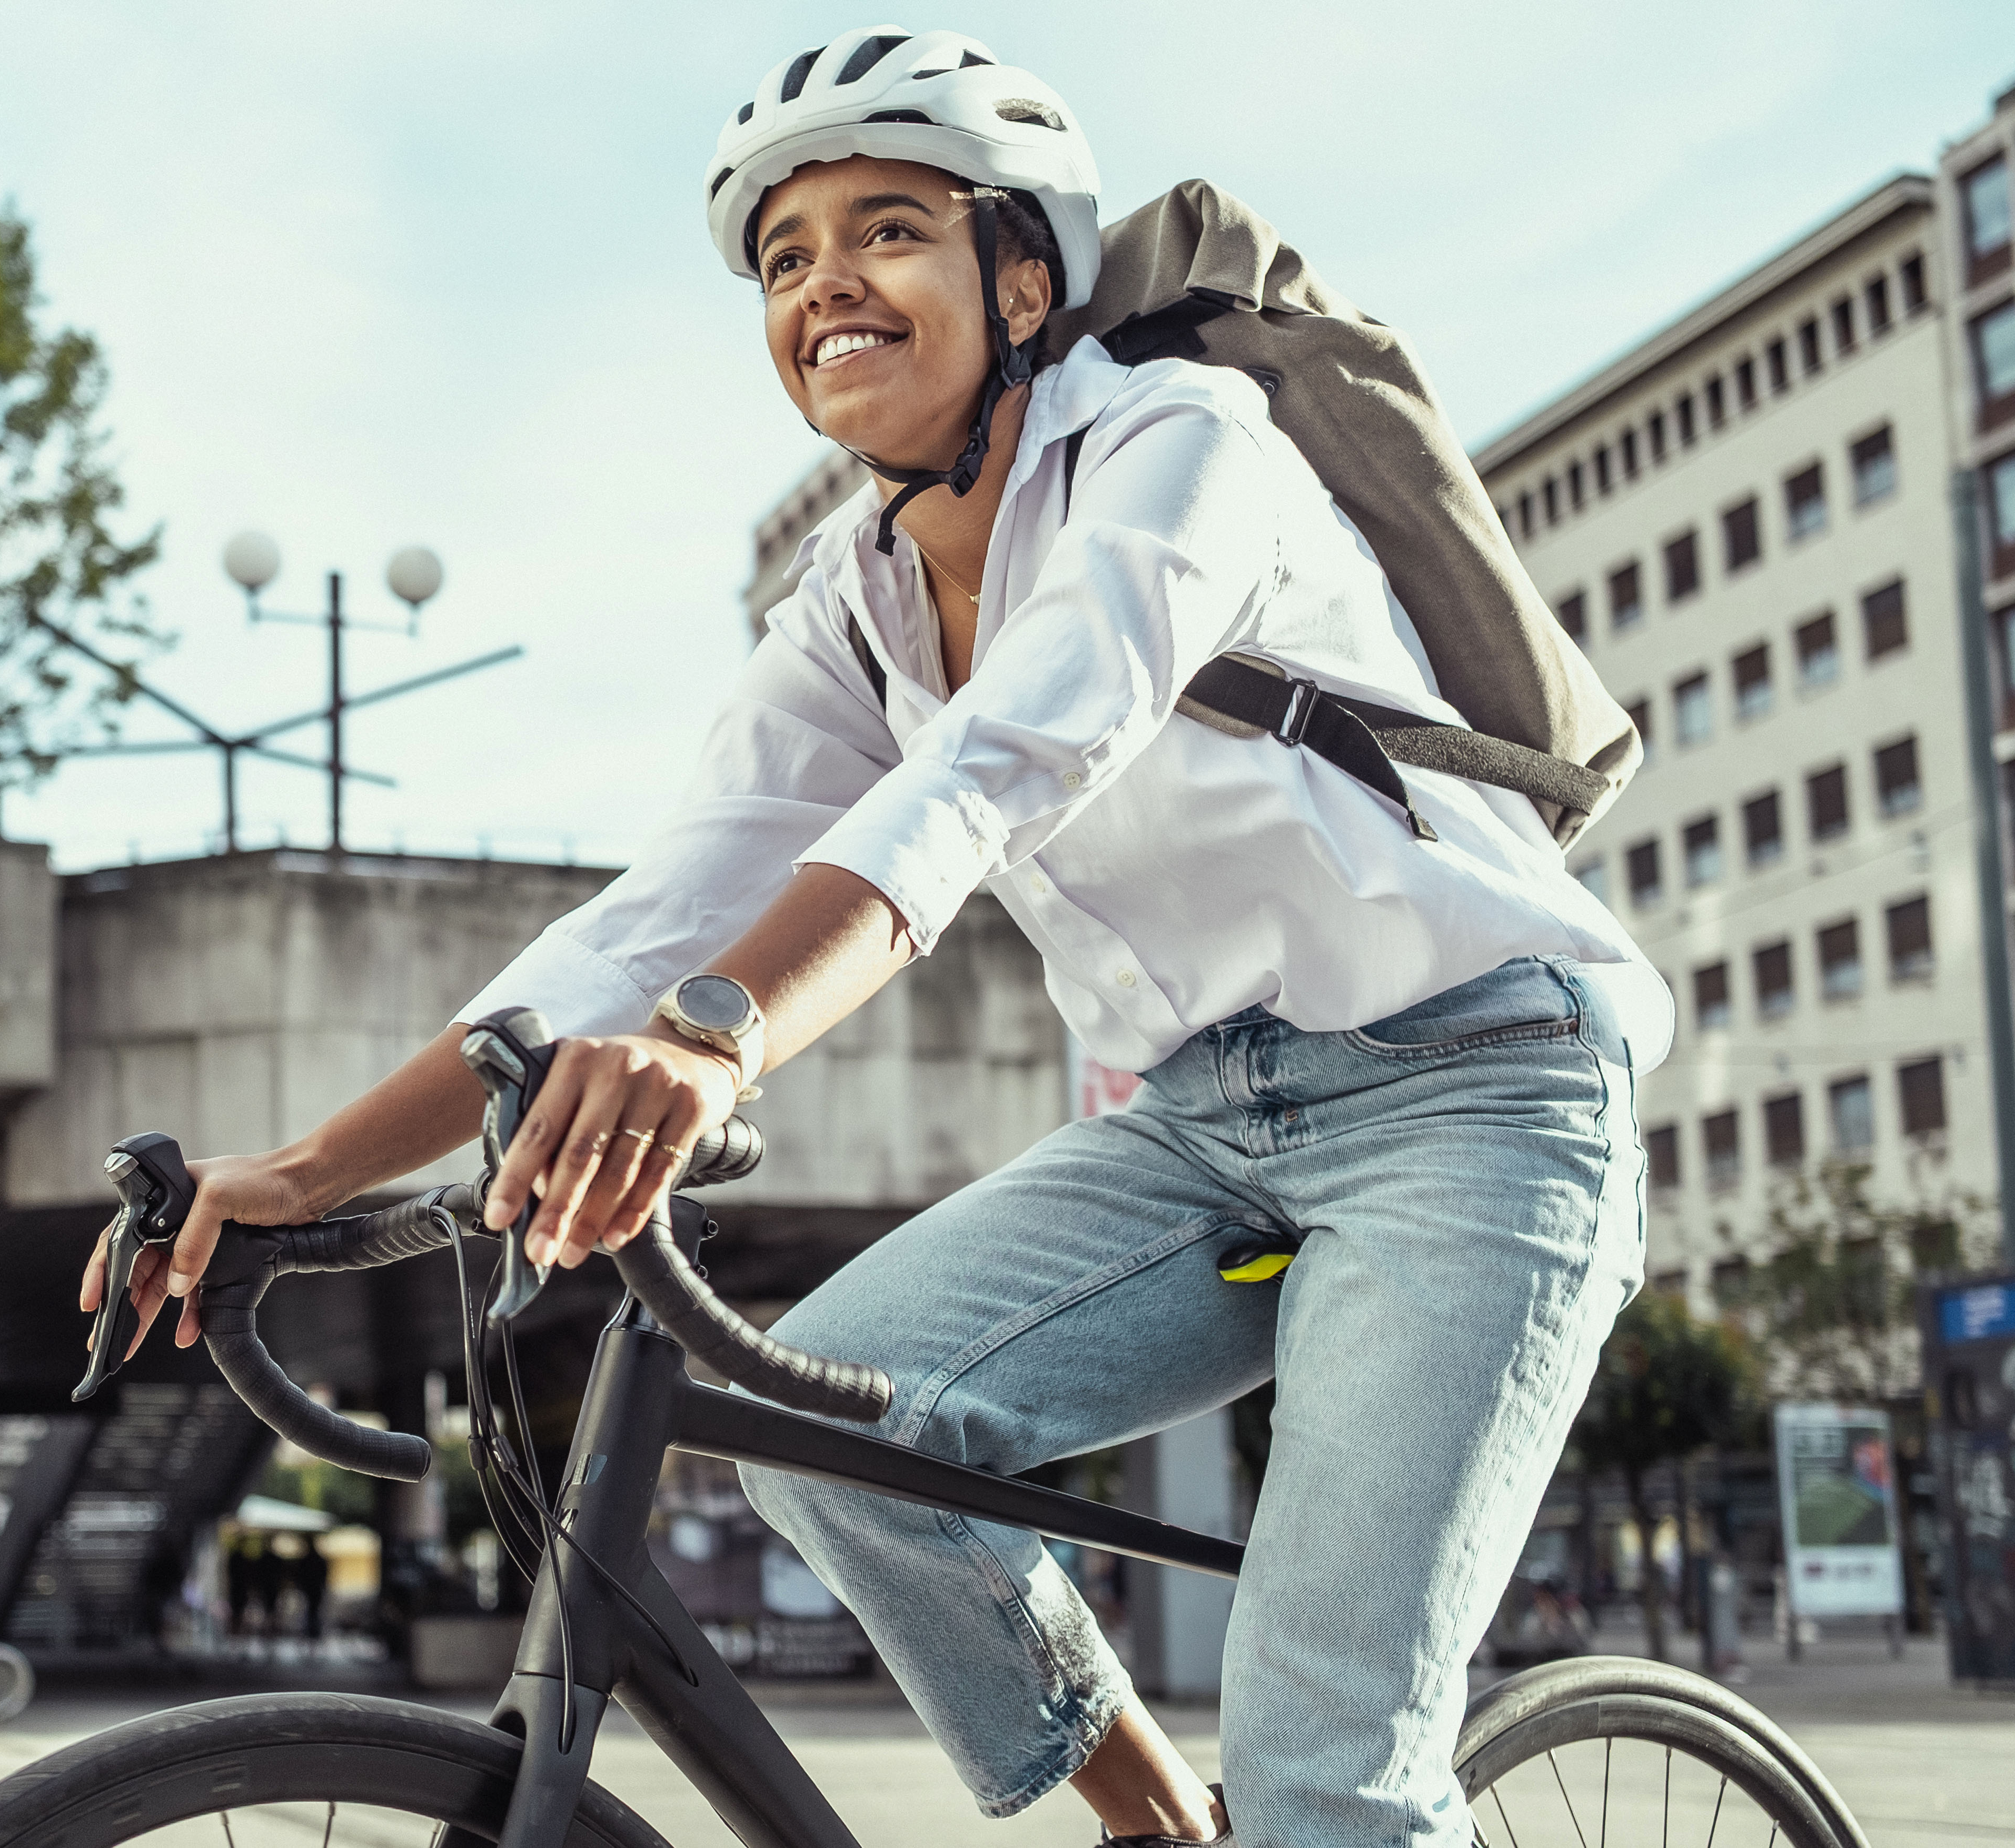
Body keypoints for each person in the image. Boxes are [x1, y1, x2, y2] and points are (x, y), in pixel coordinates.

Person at [84, 26, 1666, 1845]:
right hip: (1208, 1121)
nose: (826, 281)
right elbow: (661, 906)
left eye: (890, 226)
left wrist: (717, 1034)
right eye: (784, 255)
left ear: (1021, 275)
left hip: (1483, 1089)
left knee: (1332, 1779)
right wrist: (305, 1169)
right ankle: (1159, 1824)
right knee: (837, 1440)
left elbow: (1016, 755)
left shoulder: (1183, 443)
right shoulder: (855, 595)